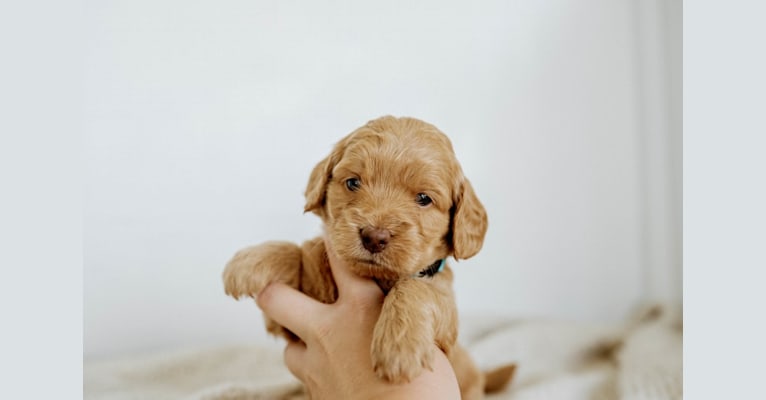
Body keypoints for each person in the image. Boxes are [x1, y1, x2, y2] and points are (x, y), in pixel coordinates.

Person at [255, 240, 461, 400]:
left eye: (423, 199)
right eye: (353, 184)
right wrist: (287, 261)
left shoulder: (431, 289)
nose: (377, 228)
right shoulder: (328, 253)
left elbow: (444, 318)